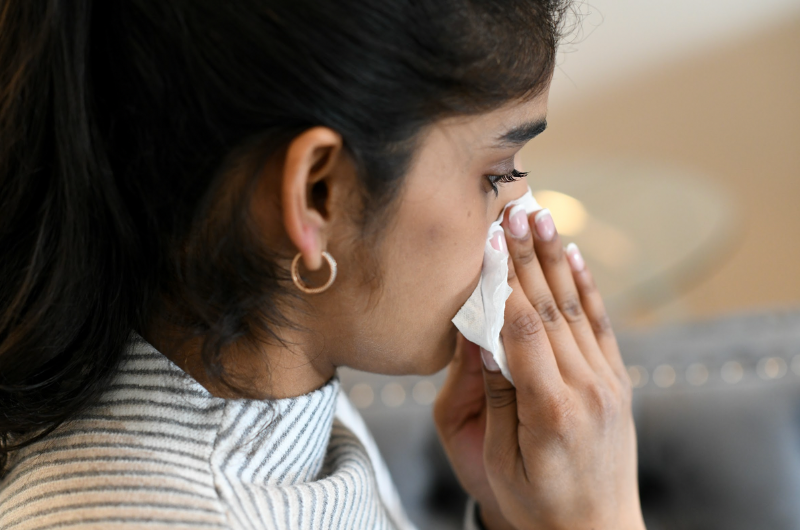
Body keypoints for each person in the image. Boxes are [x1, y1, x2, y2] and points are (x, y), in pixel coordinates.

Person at [0, 0, 646, 528]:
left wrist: (515, 519)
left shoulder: (260, 382)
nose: (518, 215)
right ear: (318, 196)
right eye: (498, 173)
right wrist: (600, 520)